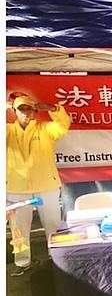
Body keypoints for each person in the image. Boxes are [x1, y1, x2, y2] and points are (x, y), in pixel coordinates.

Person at [7, 94, 71, 274]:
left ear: (35, 110)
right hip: (16, 187)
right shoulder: (7, 131)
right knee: (18, 228)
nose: (25, 113)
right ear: (14, 112)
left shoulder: (46, 129)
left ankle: (57, 258)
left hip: (46, 185)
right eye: (21, 109)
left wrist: (53, 109)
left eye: (29, 108)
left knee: (53, 223)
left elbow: (63, 125)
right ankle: (22, 262)